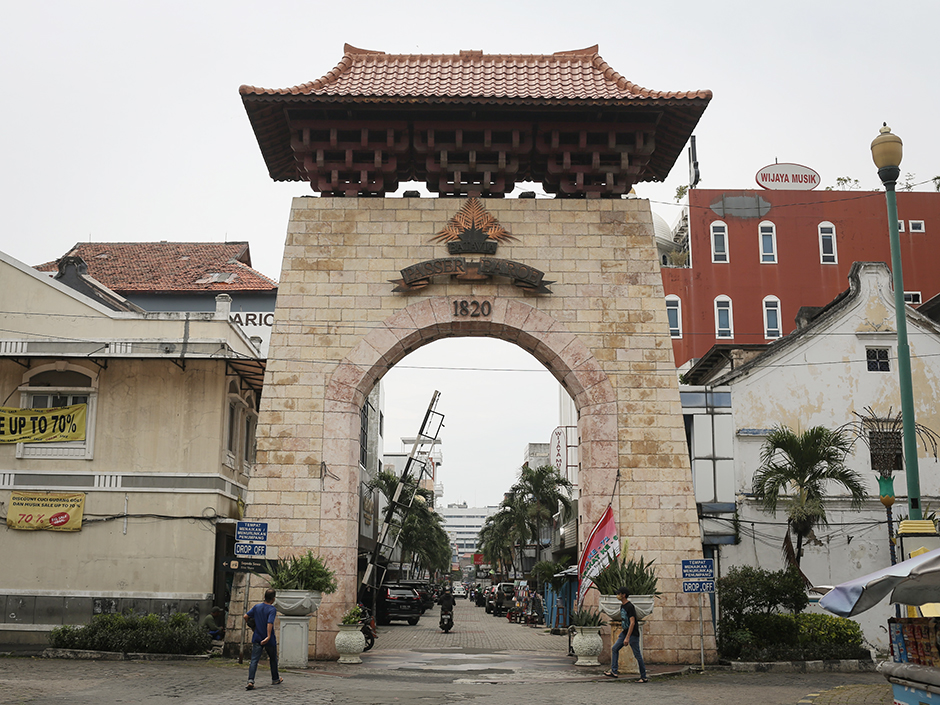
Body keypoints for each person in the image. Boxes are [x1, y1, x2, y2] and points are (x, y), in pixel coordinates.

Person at [604, 586, 648, 683]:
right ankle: (614, 671)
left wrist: (627, 637)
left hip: (632, 634)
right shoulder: (622, 606)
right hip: (625, 632)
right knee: (615, 648)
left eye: (619, 594)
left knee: (637, 655)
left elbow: (632, 622)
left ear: (624, 595)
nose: (618, 595)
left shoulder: (629, 606)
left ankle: (643, 676)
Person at [244, 588, 283, 690]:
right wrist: (268, 636)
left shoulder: (257, 607)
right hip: (268, 639)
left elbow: (245, 616)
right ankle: (275, 678)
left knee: (254, 660)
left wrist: (252, 627)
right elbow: (269, 623)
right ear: (273, 599)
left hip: (257, 637)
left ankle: (250, 680)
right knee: (273, 659)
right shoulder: (272, 609)